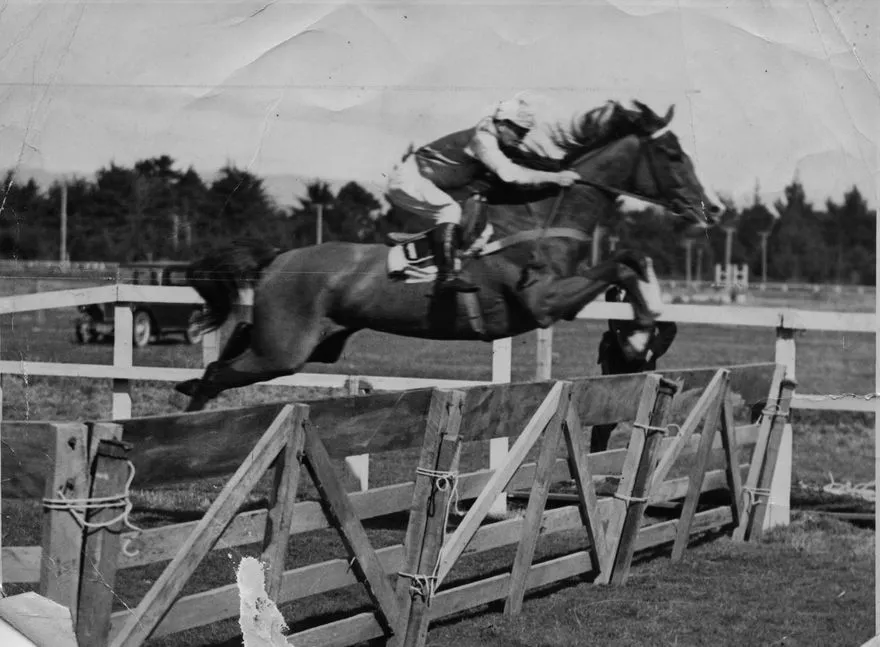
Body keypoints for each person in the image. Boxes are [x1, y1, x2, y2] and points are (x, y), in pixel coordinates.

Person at [385, 93, 647, 292]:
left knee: (477, 211)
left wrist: (560, 169)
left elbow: (524, 163)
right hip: (408, 179)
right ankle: (446, 276)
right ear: (503, 124)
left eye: (525, 132)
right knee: (450, 210)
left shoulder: (496, 136)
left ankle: (422, 255)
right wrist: (556, 178)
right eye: (519, 131)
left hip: (437, 180)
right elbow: (510, 174)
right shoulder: (483, 140)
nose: (521, 137)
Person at [591, 285, 678, 453]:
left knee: (644, 414)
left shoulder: (646, 294)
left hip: (639, 365)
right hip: (613, 364)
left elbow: (669, 328)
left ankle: (644, 457)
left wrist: (651, 351)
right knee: (605, 415)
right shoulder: (611, 293)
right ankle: (595, 458)